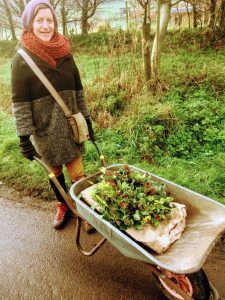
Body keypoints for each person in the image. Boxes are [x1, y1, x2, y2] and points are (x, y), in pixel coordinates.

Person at [11, 0, 95, 232]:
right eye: (40, 21)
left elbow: (78, 92)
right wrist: (23, 137)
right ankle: (63, 205)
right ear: (30, 23)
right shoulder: (21, 59)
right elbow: (20, 103)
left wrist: (86, 119)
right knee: (55, 173)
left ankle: (86, 209)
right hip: (45, 129)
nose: (45, 25)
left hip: (71, 127)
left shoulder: (66, 54)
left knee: (78, 173)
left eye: (49, 20)